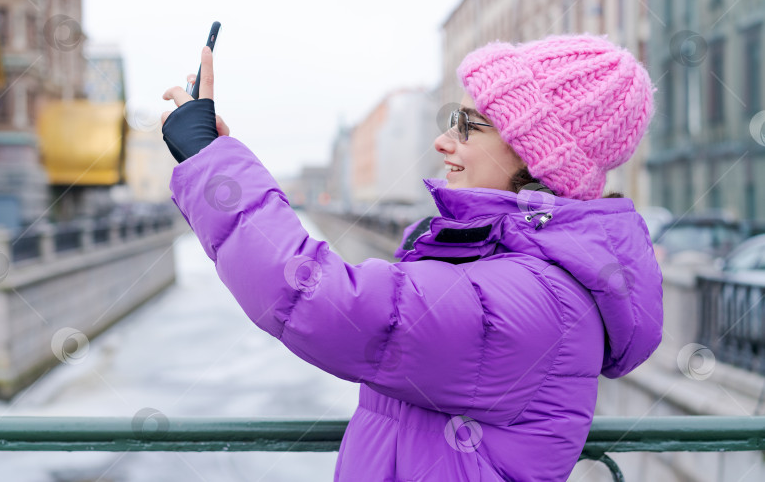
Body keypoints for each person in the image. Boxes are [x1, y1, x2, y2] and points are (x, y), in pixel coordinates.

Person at [160, 34, 663, 481]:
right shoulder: (521, 273)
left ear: (535, 155)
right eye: (452, 120)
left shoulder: (532, 300)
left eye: (470, 126)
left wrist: (212, 165)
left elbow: (319, 299)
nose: (444, 141)